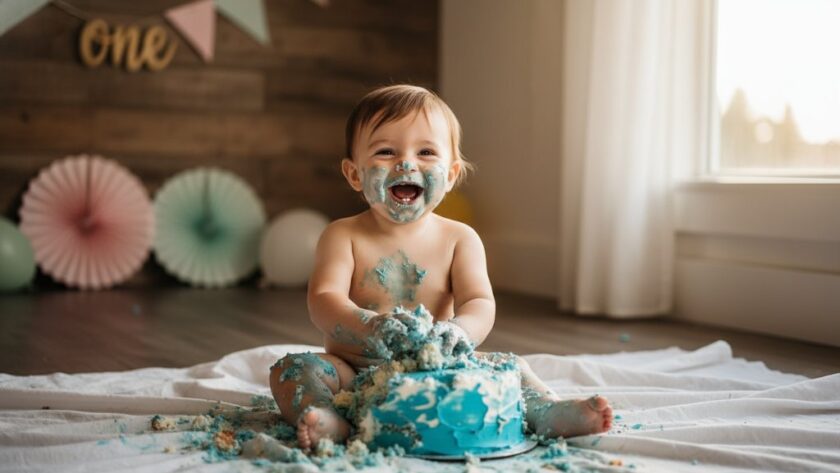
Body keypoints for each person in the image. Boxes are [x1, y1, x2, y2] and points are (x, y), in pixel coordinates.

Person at [269, 84, 612, 449]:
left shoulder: (460, 239)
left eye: (426, 152)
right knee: (290, 370)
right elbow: (323, 300)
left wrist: (459, 333)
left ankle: (545, 411)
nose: (406, 163)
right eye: (385, 152)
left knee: (513, 366)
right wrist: (370, 326)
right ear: (354, 174)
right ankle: (329, 417)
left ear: (450, 175)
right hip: (353, 373)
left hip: (442, 368)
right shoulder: (342, 235)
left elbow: (480, 302)